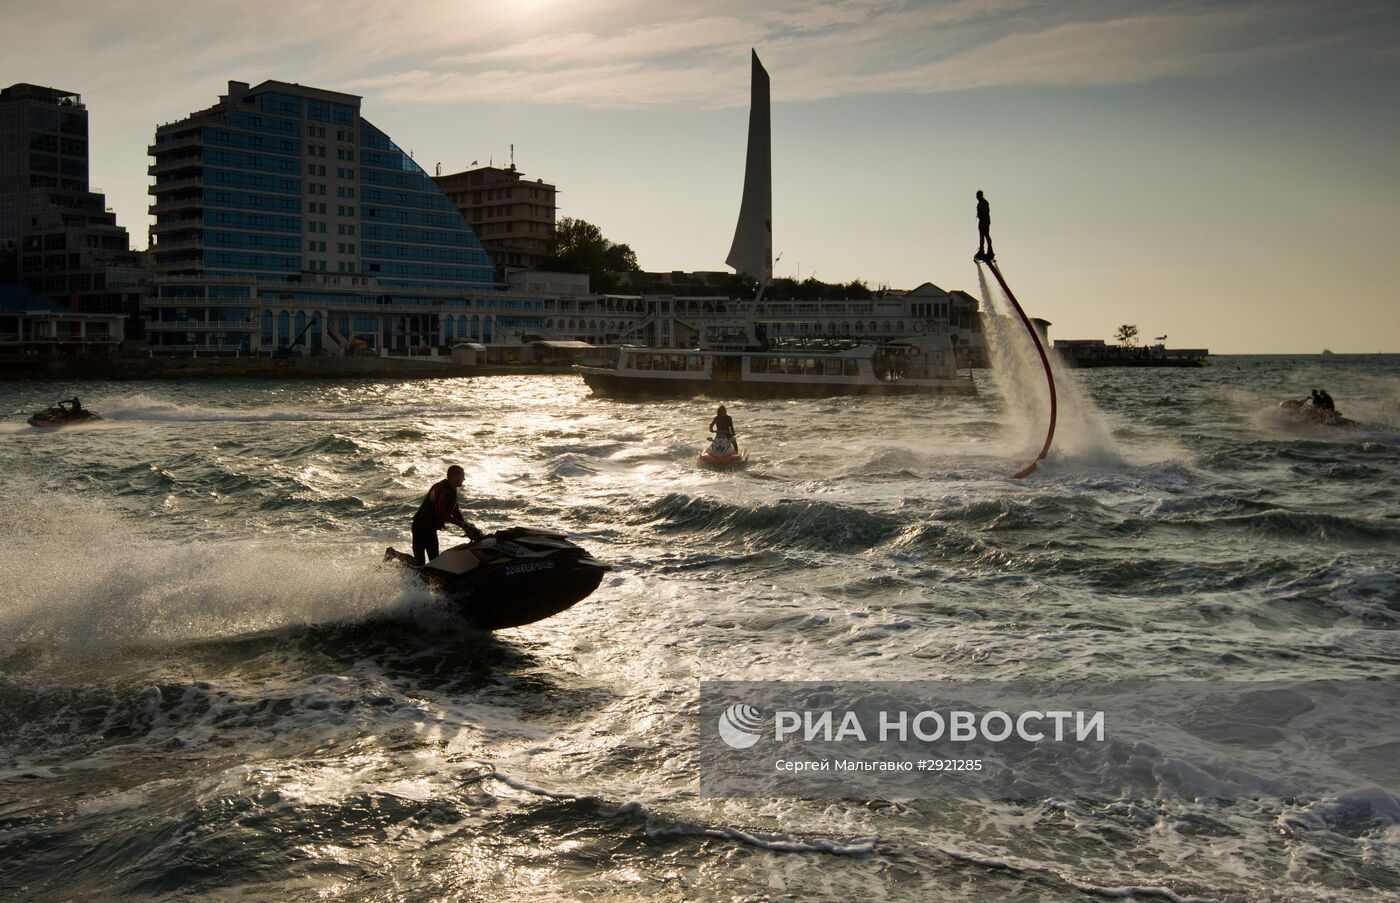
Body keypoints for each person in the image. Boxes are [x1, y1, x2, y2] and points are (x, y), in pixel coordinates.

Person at [411, 465, 483, 565]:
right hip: (420, 527)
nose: (464, 479)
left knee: (434, 560)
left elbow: (456, 512)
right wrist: (461, 525)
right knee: (419, 563)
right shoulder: (440, 488)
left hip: (430, 529)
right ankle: (394, 554)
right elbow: (441, 512)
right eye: (462, 476)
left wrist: (465, 526)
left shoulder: (452, 490)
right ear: (455, 477)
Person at [975, 190, 994, 262]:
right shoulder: (984, 202)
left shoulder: (982, 203)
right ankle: (987, 250)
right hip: (985, 221)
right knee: (985, 235)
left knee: (983, 236)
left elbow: (985, 213)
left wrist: (983, 222)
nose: (976, 197)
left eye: (978, 195)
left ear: (981, 195)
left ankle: (984, 251)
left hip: (984, 221)